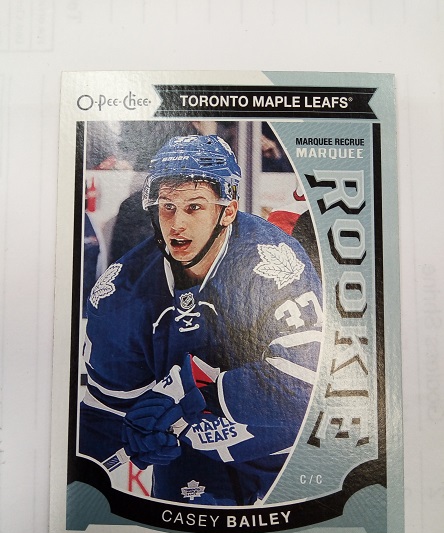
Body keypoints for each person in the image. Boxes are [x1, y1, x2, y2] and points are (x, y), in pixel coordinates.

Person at [79, 135, 323, 506]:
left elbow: (302, 386)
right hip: (190, 461)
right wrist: (136, 435)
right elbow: (105, 414)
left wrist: (187, 395)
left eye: (193, 207)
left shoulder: (274, 262)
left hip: (279, 457)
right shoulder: (121, 291)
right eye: (167, 206)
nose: (176, 223)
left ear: (227, 211)